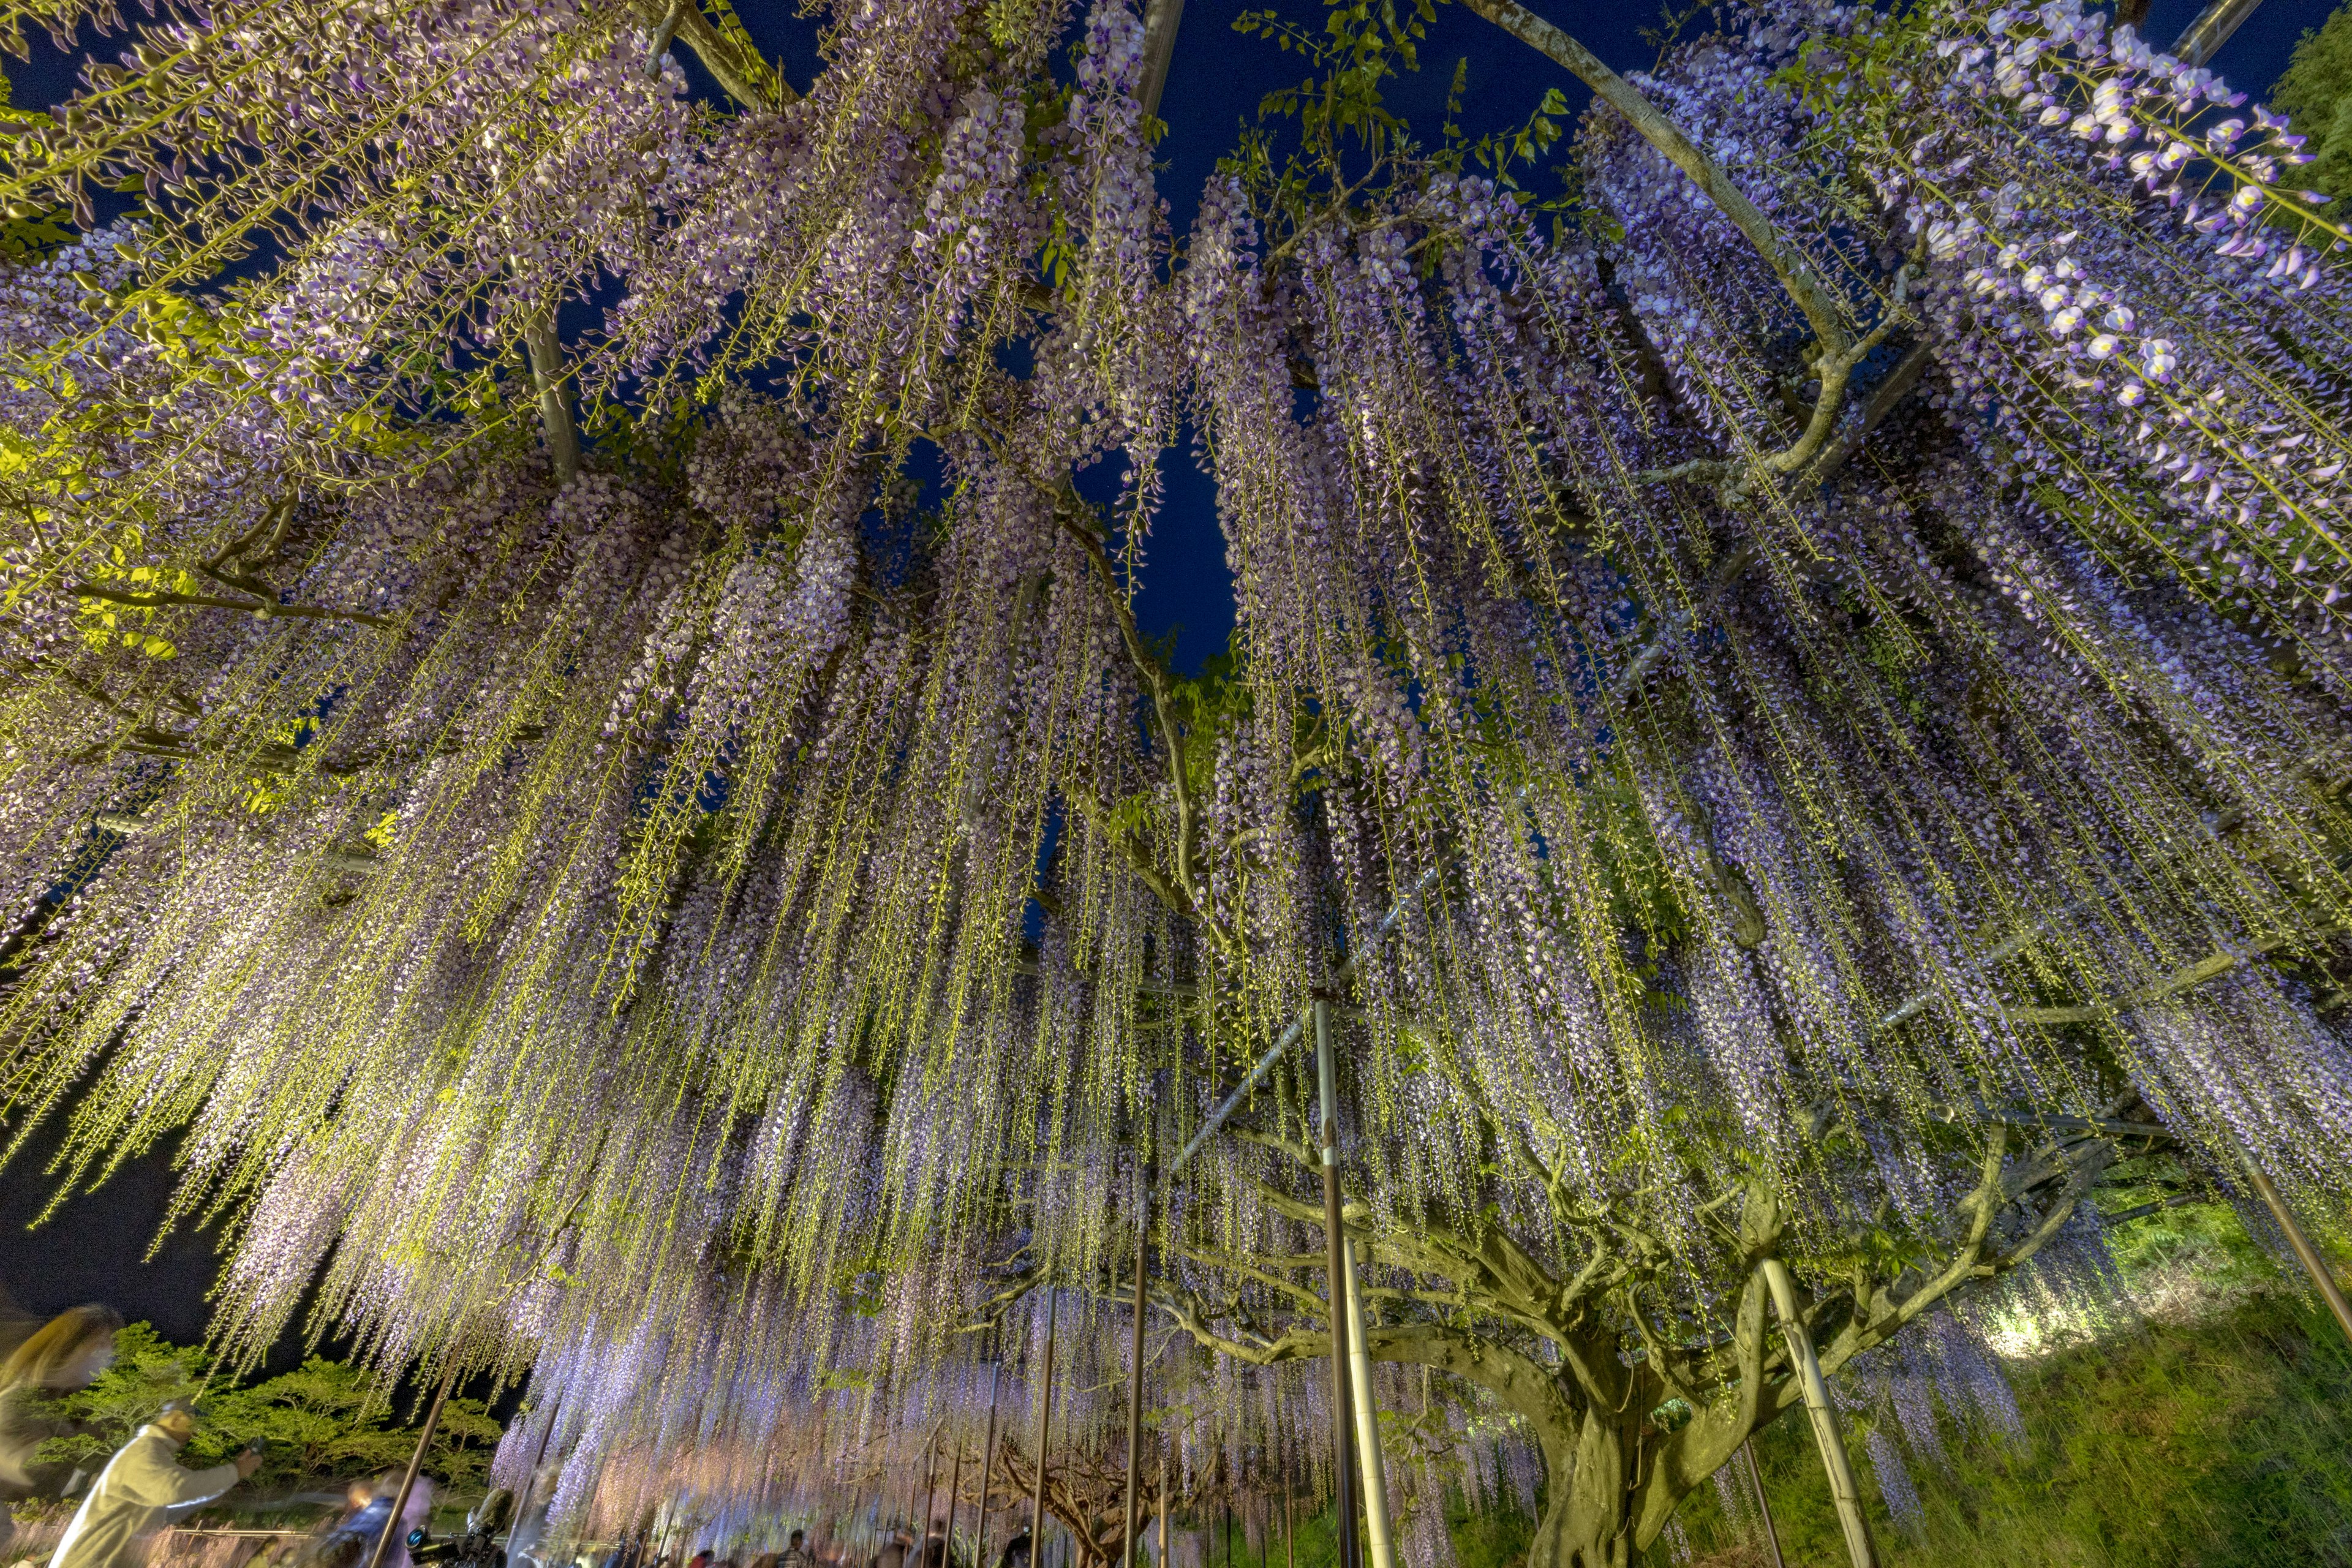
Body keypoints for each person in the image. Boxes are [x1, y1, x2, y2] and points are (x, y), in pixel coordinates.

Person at [46, 1399, 259, 1568]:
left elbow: (164, 1505)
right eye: (193, 1426)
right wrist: (235, 1472)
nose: (194, 1435)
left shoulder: (154, 1453)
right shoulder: (144, 1450)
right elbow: (174, 1489)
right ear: (176, 1418)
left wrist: (218, 1489)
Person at [0, 1307, 124, 1562]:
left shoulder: (60, 1411)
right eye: (100, 1343)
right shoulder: (16, 1402)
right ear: (68, 1346)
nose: (108, 1354)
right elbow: (23, 1469)